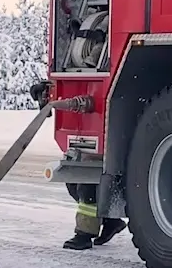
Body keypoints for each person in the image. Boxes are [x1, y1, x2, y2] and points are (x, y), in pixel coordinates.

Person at [28, 78, 127, 250]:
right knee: (74, 178)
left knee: (87, 179)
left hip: (105, 118)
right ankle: (110, 220)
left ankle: (85, 233)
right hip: (93, 122)